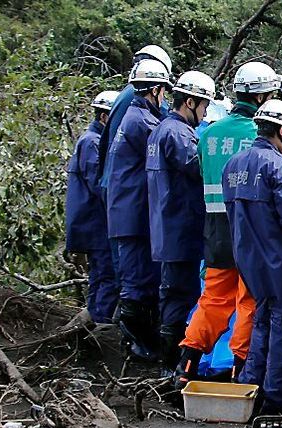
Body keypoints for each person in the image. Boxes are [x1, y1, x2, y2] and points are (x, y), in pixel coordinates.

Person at [175, 61, 282, 388]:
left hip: (216, 235)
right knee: (250, 302)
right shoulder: (259, 132)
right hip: (252, 235)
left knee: (213, 299)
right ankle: (242, 372)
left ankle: (186, 364)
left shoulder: (208, 133)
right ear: (263, 96)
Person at [223, 100, 282, 416]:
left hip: (249, 262)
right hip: (281, 261)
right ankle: (277, 401)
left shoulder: (233, 165)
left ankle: (253, 389)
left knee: (262, 323)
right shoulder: (279, 167)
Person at [146, 71, 216, 371]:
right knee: (179, 297)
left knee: (174, 295)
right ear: (190, 102)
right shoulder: (177, 133)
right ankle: (170, 368)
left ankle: (170, 365)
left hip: (169, 227)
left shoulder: (162, 129)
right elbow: (198, 166)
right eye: (204, 107)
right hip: (180, 229)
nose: (204, 114)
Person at [106, 59, 173, 360]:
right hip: (133, 214)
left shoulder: (132, 115)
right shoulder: (143, 122)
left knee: (137, 280)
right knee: (137, 284)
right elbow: (170, 141)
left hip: (126, 212)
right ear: (156, 90)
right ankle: (144, 348)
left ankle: (142, 345)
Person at [65, 90, 120, 325]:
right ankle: (101, 323)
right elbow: (99, 183)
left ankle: (94, 318)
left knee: (99, 275)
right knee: (106, 275)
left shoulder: (92, 141)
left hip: (93, 224)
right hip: (95, 224)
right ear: (104, 117)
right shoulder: (92, 143)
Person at [98, 45, 173, 191]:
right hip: (128, 184)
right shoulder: (143, 100)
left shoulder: (124, 95)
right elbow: (168, 128)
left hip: (113, 178)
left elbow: (104, 141)